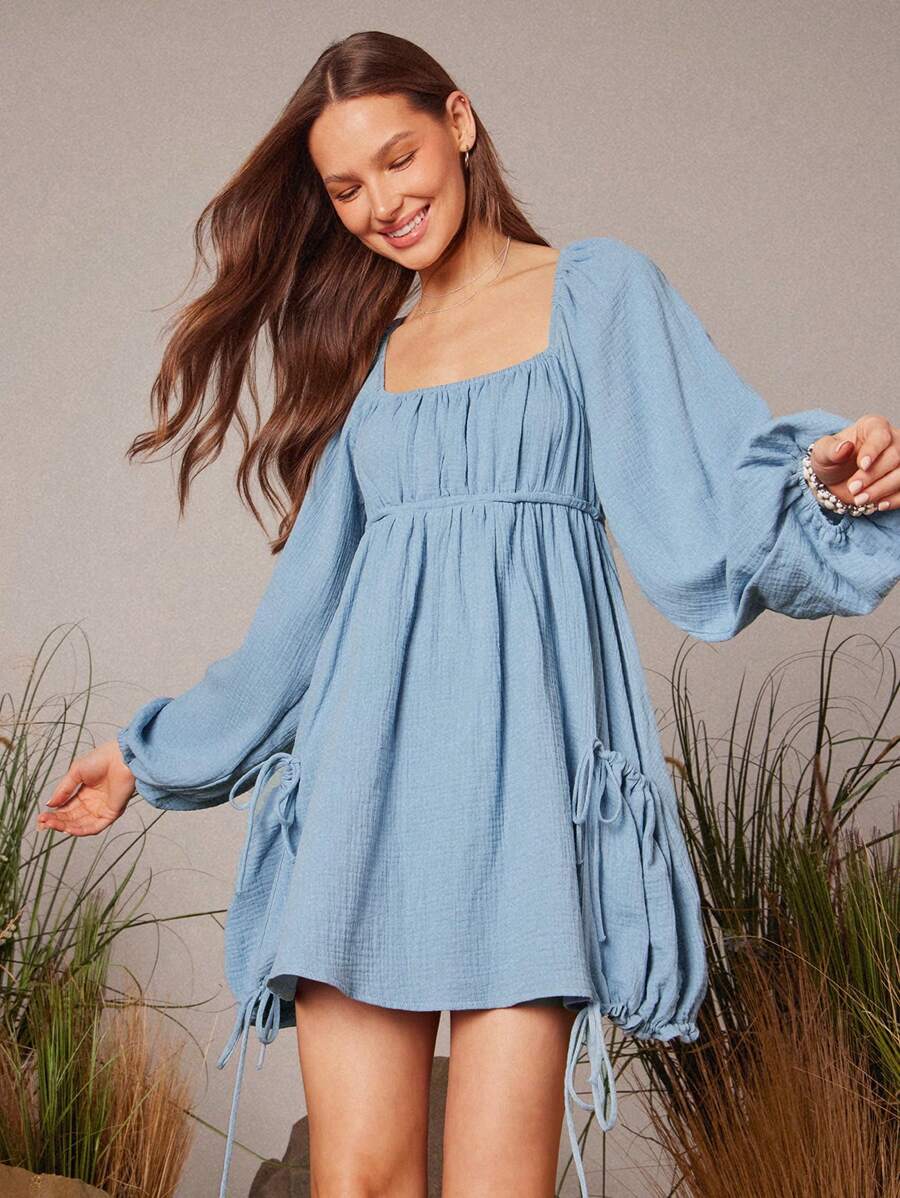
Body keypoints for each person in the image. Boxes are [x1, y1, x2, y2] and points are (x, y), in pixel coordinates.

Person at [36, 30, 900, 1198]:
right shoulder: (368, 357)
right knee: (359, 1182)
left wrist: (829, 484)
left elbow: (706, 509)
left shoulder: (595, 293)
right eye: (346, 187)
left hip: (527, 802)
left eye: (397, 159)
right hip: (361, 796)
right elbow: (298, 624)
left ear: (459, 120)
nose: (381, 204)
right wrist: (146, 758)